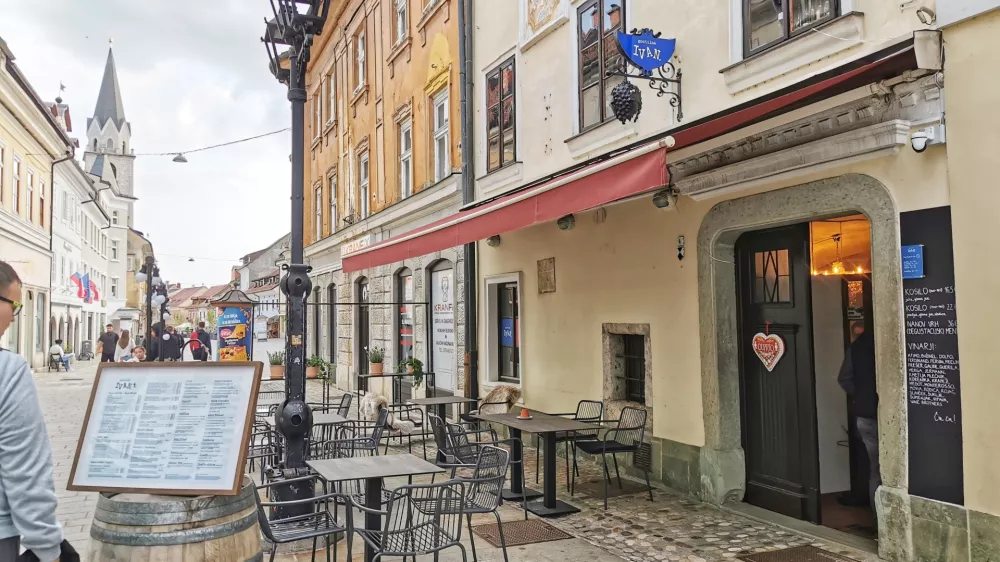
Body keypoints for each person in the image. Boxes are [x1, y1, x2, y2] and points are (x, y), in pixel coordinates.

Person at [0, 260, 69, 561]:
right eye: (14, 305)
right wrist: (47, 548)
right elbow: (26, 471)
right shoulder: (8, 370)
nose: (14, 317)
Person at [838, 328, 880, 515]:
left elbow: (844, 379)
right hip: (881, 414)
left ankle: (878, 519)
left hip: (865, 414)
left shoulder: (858, 346)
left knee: (876, 470)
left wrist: (862, 395)